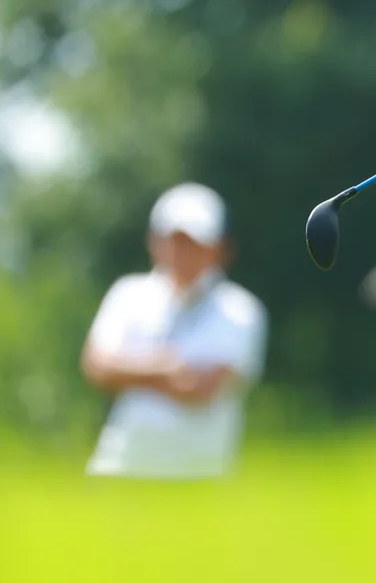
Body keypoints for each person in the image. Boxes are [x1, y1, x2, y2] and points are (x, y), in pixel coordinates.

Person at [80, 182, 267, 479]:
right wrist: (166, 367)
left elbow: (201, 389)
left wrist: (131, 371)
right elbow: (98, 367)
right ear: (154, 242)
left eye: (194, 242)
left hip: (199, 478)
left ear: (219, 248)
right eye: (175, 241)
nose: (183, 252)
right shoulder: (127, 293)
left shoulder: (241, 309)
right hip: (118, 471)